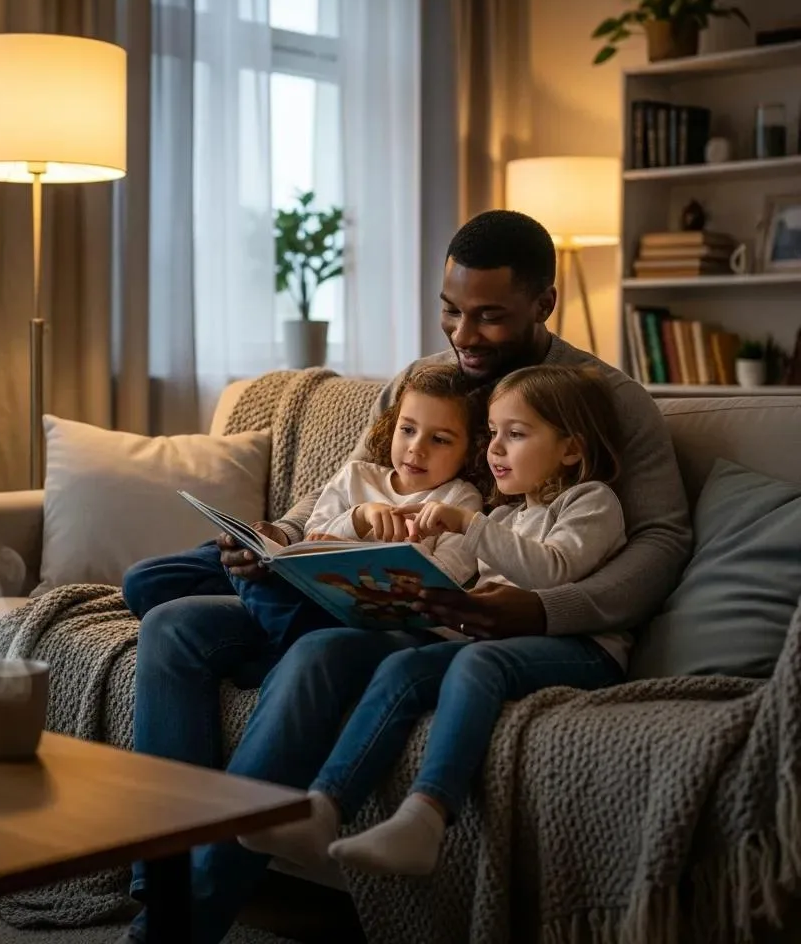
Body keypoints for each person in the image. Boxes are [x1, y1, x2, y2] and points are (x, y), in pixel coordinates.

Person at [121, 210, 692, 943]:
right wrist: (279, 537)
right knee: (171, 622)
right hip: (354, 582)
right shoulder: (426, 381)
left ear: (544, 305)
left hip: (441, 613)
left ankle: (176, 927)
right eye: (451, 312)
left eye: (489, 318)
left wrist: (541, 611)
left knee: (315, 652)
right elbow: (353, 484)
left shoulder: (597, 396)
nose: (463, 335)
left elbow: (662, 542)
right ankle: (159, 878)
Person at [238, 364, 627, 877]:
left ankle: (425, 819)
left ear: (571, 449)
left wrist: (469, 524)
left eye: (515, 435)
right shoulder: (507, 516)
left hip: (581, 647)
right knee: (404, 669)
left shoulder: (590, 501)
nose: (495, 450)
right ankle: (324, 810)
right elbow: (481, 590)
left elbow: (552, 568)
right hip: (500, 640)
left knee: (478, 666)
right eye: (493, 435)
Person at [124, 364, 486, 652]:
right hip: (303, 585)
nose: (416, 448)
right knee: (146, 581)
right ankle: (269, 630)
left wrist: (401, 551)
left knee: (256, 582)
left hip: (349, 612)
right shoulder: (357, 476)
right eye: (408, 430)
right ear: (391, 427)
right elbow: (314, 534)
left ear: (469, 450)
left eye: (439, 440)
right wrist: (358, 519)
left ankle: (285, 640)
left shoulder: (459, 501)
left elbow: (446, 579)